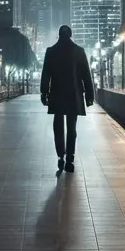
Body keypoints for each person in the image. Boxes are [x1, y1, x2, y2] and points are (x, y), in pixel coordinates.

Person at [40, 24, 95, 173]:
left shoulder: (51, 51)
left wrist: (43, 93)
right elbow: (86, 76)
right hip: (74, 95)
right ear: (70, 35)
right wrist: (90, 96)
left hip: (57, 94)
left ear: (59, 35)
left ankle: (61, 157)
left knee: (58, 127)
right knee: (72, 128)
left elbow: (46, 75)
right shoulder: (79, 51)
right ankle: (70, 158)